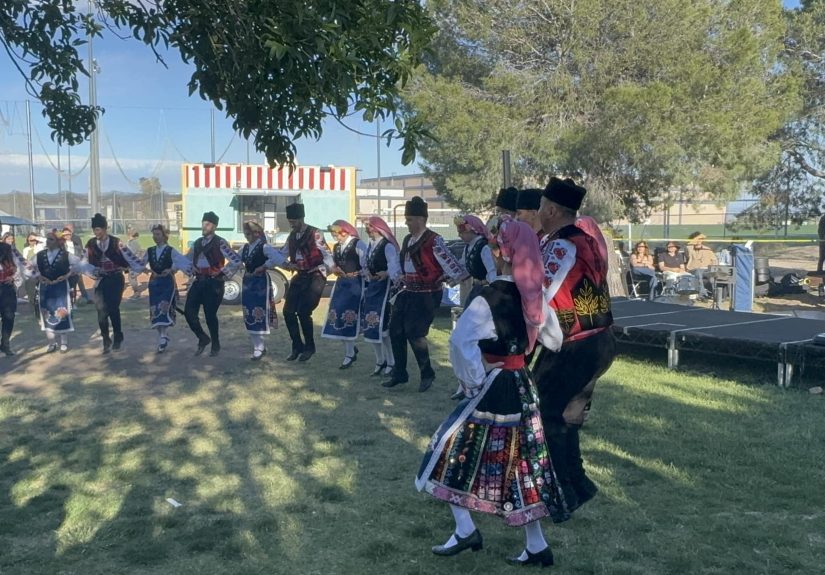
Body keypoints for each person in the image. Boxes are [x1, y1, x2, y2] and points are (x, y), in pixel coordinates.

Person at [415, 217, 566, 568]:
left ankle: (466, 528)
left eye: (496, 246)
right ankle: (536, 544)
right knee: (523, 464)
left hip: (495, 386)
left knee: (449, 450)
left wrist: (473, 379)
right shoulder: (533, 294)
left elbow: (460, 341)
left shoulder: (490, 297)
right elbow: (555, 340)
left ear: (502, 253)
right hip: (522, 386)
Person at [532, 177, 616, 514]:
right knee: (568, 415)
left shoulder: (561, 245)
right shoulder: (588, 240)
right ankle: (579, 483)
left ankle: (561, 492)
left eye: (540, 207)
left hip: (575, 345)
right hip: (600, 338)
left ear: (552, 210)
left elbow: (540, 293)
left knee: (547, 415)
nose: (538, 213)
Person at [383, 196, 467, 392]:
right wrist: (399, 275)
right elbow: (402, 261)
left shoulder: (434, 240)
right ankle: (400, 373)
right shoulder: (408, 239)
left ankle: (427, 373)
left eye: (409, 219)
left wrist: (449, 277)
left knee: (415, 332)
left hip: (427, 294)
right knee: (395, 330)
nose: (406, 223)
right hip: (408, 291)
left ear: (421, 219)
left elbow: (451, 264)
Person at [277, 202, 334, 362]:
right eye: (290, 221)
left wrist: (323, 269)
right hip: (300, 276)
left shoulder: (315, 233)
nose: (292, 224)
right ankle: (297, 346)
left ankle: (310, 347)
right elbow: (282, 254)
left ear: (301, 218)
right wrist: (286, 264)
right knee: (288, 312)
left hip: (315, 276)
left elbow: (328, 255)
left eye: (294, 221)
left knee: (303, 312)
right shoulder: (291, 236)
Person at [184, 211, 239, 357]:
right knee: (189, 312)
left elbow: (236, 260)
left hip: (213, 284)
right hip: (198, 282)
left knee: (210, 315)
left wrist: (221, 273)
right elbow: (187, 259)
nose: (204, 226)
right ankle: (203, 337)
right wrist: (190, 267)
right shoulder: (197, 243)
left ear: (214, 226)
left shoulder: (220, 242)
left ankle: (215, 343)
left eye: (207, 224)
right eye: (203, 223)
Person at [133, 224, 192, 353]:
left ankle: (163, 336)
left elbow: (180, 262)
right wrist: (146, 270)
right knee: (155, 308)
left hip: (167, 282)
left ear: (164, 236)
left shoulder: (170, 250)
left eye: (158, 234)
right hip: (154, 282)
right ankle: (162, 336)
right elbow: (140, 264)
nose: (155, 237)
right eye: (154, 234)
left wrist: (171, 269)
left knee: (164, 307)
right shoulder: (150, 250)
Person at [86, 213, 136, 354]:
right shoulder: (91, 244)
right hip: (101, 280)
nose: (96, 232)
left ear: (104, 228)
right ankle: (106, 338)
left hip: (115, 279)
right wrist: (92, 272)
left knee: (113, 308)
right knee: (101, 310)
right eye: (94, 229)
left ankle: (118, 336)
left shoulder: (116, 242)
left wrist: (136, 267)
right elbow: (85, 262)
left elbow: (129, 257)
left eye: (98, 229)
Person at [33, 230, 90, 353]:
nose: (48, 241)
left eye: (51, 239)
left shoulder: (66, 255)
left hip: (61, 287)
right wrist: (38, 276)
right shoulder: (40, 255)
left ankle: (63, 343)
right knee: (46, 313)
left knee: (62, 313)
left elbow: (79, 265)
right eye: (47, 239)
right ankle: (51, 343)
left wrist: (67, 275)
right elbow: (28, 266)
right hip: (45, 287)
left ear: (58, 242)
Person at [322, 220, 366, 368]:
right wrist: (334, 269)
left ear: (345, 232)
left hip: (355, 284)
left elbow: (367, 263)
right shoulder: (337, 247)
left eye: (337, 234)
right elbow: (333, 262)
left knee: (349, 317)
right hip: (341, 284)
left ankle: (350, 353)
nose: (335, 237)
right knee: (338, 317)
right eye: (333, 235)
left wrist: (358, 273)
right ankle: (350, 350)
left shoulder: (357, 244)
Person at [360, 216, 399, 377]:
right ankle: (380, 360)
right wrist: (367, 273)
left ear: (378, 228)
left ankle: (391, 361)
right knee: (371, 325)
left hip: (385, 288)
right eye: (367, 227)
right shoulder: (370, 245)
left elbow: (394, 264)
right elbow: (365, 264)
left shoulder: (387, 245)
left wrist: (387, 273)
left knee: (383, 327)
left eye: (370, 227)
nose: (367, 229)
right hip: (373, 287)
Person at [239, 221, 283, 360]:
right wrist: (223, 273)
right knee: (248, 312)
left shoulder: (264, 247)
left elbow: (277, 259)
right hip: (248, 281)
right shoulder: (244, 248)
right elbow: (235, 261)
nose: (246, 236)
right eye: (245, 234)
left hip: (260, 283)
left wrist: (264, 266)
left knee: (259, 312)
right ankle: (258, 345)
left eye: (248, 234)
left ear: (256, 233)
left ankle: (259, 346)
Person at [454, 214, 496, 307]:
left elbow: (492, 271)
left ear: (472, 230)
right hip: (476, 288)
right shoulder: (468, 247)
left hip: (486, 290)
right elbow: (463, 267)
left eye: (462, 232)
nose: (459, 235)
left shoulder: (484, 247)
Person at [62, 225, 93, 305]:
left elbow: (81, 254)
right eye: (65, 235)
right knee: (66, 286)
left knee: (75, 285)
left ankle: (74, 302)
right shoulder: (61, 245)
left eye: (68, 234)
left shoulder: (76, 244)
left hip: (75, 268)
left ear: (71, 234)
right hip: (65, 268)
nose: (67, 236)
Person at [0, 224, 17, 356]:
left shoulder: (8, 248)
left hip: (7, 287)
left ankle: (5, 344)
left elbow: (20, 266)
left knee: (9, 316)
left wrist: (13, 277)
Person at [685, 231, 717, 299]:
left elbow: (714, 260)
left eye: (701, 239)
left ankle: (714, 295)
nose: (699, 241)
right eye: (698, 239)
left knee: (714, 275)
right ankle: (702, 294)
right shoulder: (689, 248)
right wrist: (695, 241)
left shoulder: (707, 249)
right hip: (693, 269)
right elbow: (689, 246)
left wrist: (713, 268)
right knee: (698, 272)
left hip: (706, 269)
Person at [126, 227, 146, 300]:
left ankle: (136, 293)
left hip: (134, 263)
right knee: (132, 277)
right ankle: (136, 292)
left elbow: (131, 253)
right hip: (134, 263)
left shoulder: (133, 243)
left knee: (131, 277)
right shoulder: (131, 242)